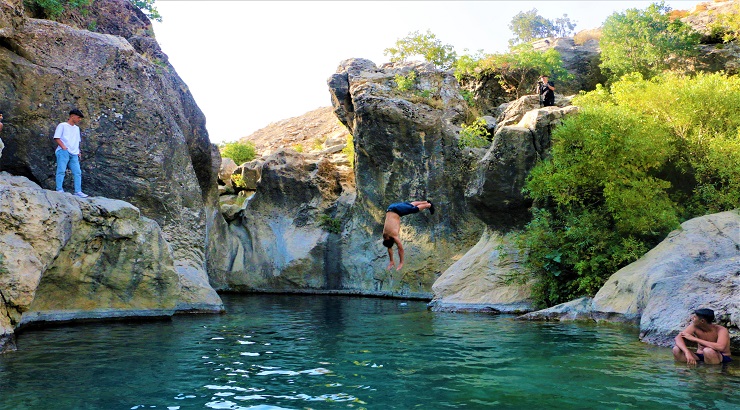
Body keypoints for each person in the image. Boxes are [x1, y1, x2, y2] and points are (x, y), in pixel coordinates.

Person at [382, 200, 434, 271]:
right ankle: (425, 202)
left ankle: (428, 205)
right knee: (410, 205)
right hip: (390, 208)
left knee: (414, 209)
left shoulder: (394, 236)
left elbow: (400, 249)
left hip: (397, 211)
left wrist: (401, 263)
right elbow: (389, 248)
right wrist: (391, 260)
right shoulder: (385, 234)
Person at [54, 109, 89, 198]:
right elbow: (57, 138)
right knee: (61, 170)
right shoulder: (62, 125)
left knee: (77, 172)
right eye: (78, 117)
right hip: (63, 151)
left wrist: (78, 151)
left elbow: (77, 141)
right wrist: (63, 147)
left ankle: (78, 191)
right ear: (72, 116)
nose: (79, 119)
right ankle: (59, 189)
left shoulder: (76, 128)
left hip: (74, 153)